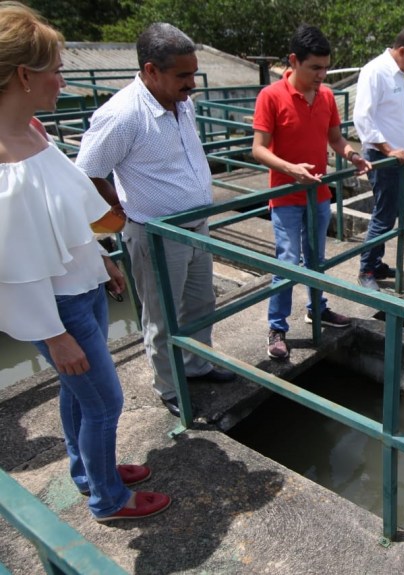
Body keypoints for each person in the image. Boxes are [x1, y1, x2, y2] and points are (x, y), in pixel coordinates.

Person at [0, 1, 171, 521]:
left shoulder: (32, 131)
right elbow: (9, 263)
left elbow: (59, 219)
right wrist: (52, 333)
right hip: (56, 306)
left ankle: (88, 470)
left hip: (81, 286)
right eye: (55, 70)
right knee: (104, 402)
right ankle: (108, 500)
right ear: (25, 74)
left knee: (80, 395)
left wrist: (101, 259)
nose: (61, 81)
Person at [76, 23, 235, 417]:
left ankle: (197, 364)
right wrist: (118, 209)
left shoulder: (183, 103)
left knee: (201, 302)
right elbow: (86, 172)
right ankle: (169, 386)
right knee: (162, 316)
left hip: (197, 227)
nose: (191, 83)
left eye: (193, 73)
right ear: (151, 70)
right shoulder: (123, 114)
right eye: (183, 75)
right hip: (156, 234)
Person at [252, 25, 372, 361]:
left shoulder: (327, 97)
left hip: (318, 194)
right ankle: (277, 327)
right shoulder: (271, 96)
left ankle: (317, 308)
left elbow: (335, 138)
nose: (322, 75)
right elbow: (258, 149)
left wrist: (351, 154)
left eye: (325, 67)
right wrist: (291, 170)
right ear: (294, 61)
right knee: (288, 261)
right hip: (287, 196)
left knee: (316, 258)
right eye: (315, 68)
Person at [353, 26, 404, 291]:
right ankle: (366, 270)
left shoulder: (397, 73)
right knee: (384, 215)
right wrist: (388, 150)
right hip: (382, 156)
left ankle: (376, 262)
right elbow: (363, 118)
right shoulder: (375, 71)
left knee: (391, 213)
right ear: (402, 51)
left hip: (396, 157)